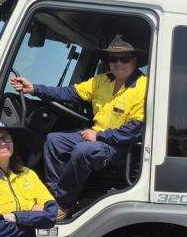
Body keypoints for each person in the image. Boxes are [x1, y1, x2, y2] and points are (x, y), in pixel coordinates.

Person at [9, 35, 147, 220]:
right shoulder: (102, 80)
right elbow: (69, 93)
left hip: (121, 146)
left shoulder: (143, 86)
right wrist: (34, 88)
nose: (118, 63)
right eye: (113, 59)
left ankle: (64, 204)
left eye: (124, 58)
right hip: (97, 136)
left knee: (84, 150)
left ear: (135, 60)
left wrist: (99, 136)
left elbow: (135, 130)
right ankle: (53, 199)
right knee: (54, 140)